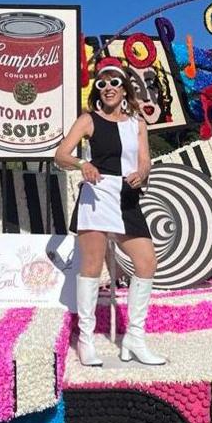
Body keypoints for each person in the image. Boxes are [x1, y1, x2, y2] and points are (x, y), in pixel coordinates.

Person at [55, 57, 166, 367]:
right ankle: (86, 340)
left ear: (124, 87)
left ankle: (134, 337)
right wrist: (83, 164)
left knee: (146, 262)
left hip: (128, 196)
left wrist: (143, 173)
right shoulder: (89, 119)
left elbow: (145, 161)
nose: (107, 88)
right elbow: (61, 154)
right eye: (101, 83)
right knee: (90, 267)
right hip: (98, 193)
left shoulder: (137, 122)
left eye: (114, 81)